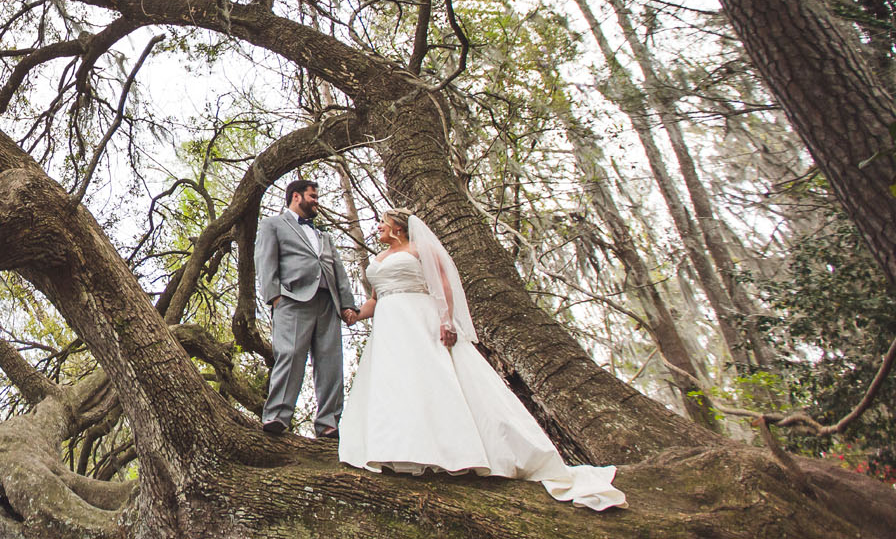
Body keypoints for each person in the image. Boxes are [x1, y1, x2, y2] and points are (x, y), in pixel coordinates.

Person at [339, 208, 626, 510]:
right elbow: (376, 298)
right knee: (395, 385)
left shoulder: (419, 249)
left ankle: (456, 449)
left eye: (383, 223)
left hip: (419, 319)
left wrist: (447, 321)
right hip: (389, 328)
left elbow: (444, 285)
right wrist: (355, 315)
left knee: (434, 379)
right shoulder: (378, 259)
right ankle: (398, 448)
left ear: (398, 225)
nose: (379, 228)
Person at [255, 179, 359, 439]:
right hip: (292, 299)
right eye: (313, 196)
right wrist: (274, 297)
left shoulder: (324, 235)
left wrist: (347, 305)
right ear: (296, 197)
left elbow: (339, 272)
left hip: (328, 303)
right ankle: (277, 415)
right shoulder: (273, 225)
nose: (316, 201)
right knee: (289, 355)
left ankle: (328, 422)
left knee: (331, 363)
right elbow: (265, 262)